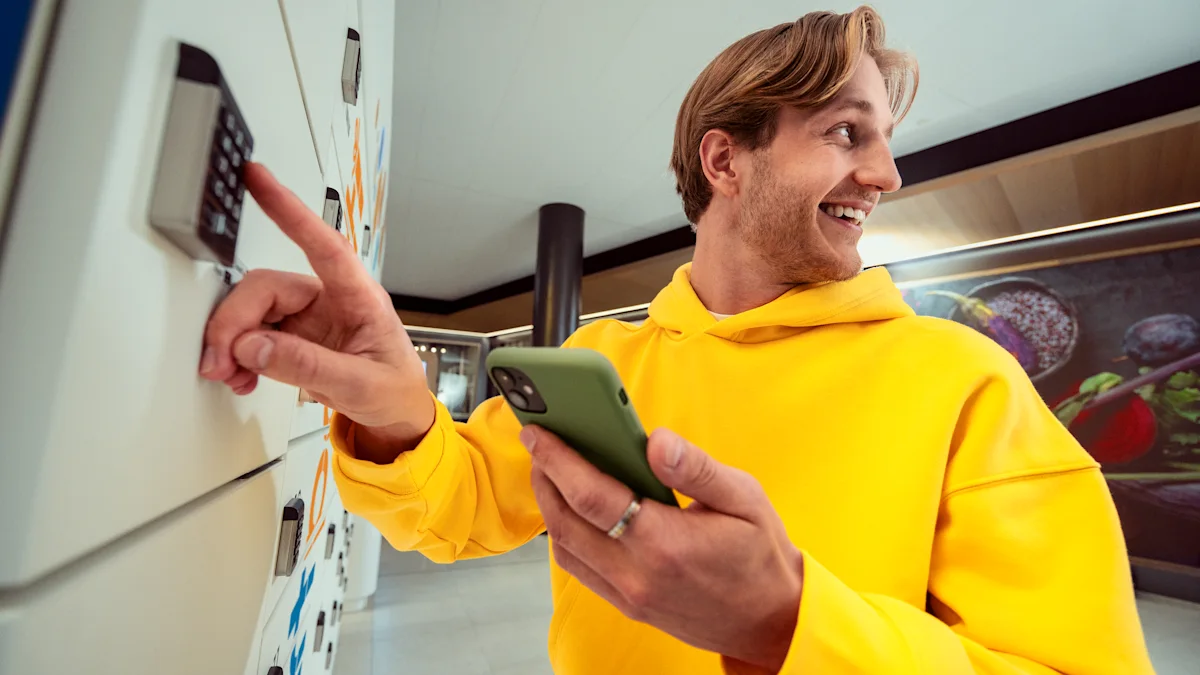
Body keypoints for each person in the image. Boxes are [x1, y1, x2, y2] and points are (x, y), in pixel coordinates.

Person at [200, 7, 1154, 674]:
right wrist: (396, 409)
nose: (888, 173)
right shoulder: (607, 363)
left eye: (886, 139)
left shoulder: (970, 383)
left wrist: (789, 627)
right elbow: (458, 507)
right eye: (847, 132)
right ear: (726, 158)